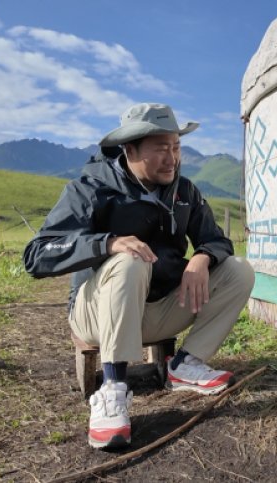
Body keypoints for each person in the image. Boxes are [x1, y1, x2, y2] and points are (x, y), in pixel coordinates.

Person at [23, 102, 255, 449]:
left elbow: (217, 240)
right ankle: (113, 389)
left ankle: (185, 364)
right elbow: (36, 255)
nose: (172, 158)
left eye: (176, 147)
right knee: (130, 258)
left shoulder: (184, 191)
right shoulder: (90, 189)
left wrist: (202, 258)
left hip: (160, 309)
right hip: (98, 316)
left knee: (239, 270)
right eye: (161, 149)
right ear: (129, 150)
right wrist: (108, 243)